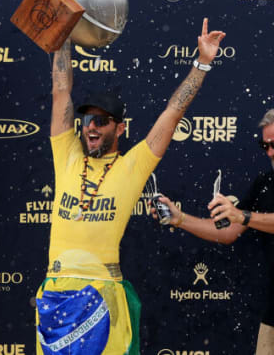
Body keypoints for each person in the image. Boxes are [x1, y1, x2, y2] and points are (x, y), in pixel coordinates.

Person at [35, 19, 225, 354]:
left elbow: (173, 112)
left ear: (119, 129)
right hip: (55, 294)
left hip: (104, 296)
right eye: (87, 119)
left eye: (102, 120)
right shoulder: (65, 153)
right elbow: (60, 90)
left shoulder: (133, 165)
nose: (91, 126)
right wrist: (63, 30)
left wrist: (202, 63)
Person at [152, 106, 274, 355]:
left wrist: (243, 216)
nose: (271, 153)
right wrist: (179, 218)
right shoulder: (265, 182)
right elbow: (228, 232)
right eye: (265, 146)